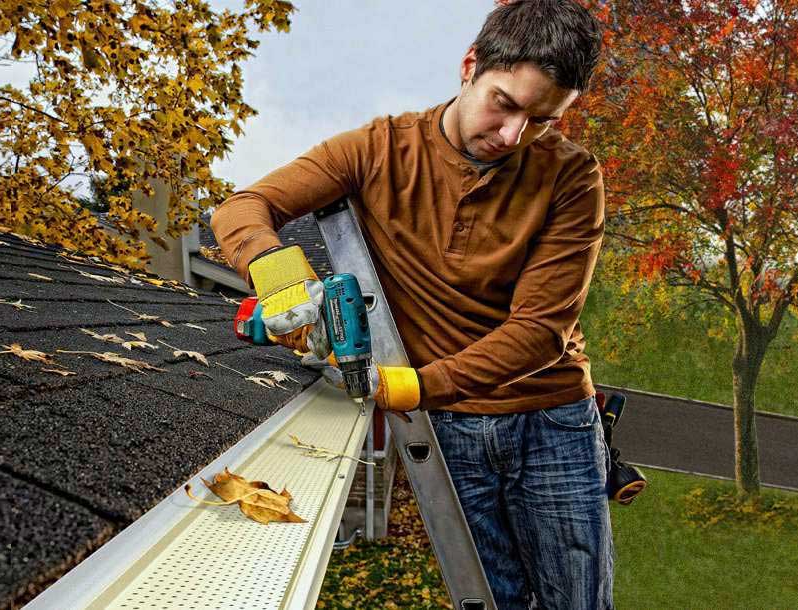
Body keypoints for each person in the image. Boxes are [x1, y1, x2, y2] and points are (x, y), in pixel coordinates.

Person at [209, 1, 612, 607]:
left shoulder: (573, 177)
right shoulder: (377, 150)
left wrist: (407, 388)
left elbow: (539, 332)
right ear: (470, 66)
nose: (513, 137)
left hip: (549, 418)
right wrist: (284, 282)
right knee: (492, 600)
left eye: (542, 120)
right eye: (504, 103)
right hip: (449, 426)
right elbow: (242, 208)